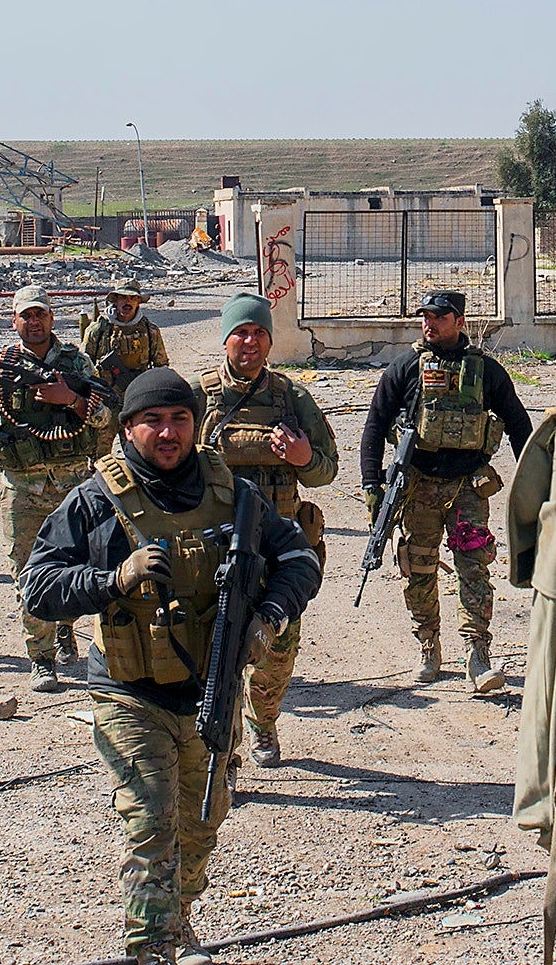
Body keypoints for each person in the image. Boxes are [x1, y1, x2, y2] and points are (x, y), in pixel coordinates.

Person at [21, 368, 323, 965]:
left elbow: (296, 557)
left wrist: (269, 618)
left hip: (212, 689)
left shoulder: (232, 494)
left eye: (179, 420)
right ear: (128, 429)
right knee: (152, 823)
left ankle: (177, 925)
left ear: (194, 425)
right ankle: (152, 948)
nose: (167, 432)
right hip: (130, 693)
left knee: (200, 823)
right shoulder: (94, 501)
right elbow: (37, 587)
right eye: (152, 421)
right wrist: (111, 580)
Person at [358, 288, 533, 691]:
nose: (429, 323)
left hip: (468, 488)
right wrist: (372, 485)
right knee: (418, 570)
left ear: (460, 321)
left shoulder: (487, 372)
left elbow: (519, 427)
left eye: (439, 316)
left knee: (474, 568)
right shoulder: (403, 370)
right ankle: (429, 644)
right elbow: (373, 428)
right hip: (417, 487)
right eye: (425, 316)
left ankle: (476, 652)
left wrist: (533, 482)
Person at [195, 293, 338, 767]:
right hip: (216, 549)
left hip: (278, 551)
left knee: (277, 652)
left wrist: (302, 459)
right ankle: (223, 747)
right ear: (225, 339)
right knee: (219, 651)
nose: (250, 342)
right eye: (241, 332)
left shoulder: (292, 398)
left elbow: (326, 470)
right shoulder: (199, 397)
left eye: (259, 333)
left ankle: (265, 722)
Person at [0, 283, 114, 691]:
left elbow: (104, 419)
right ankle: (41, 657)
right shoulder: (0, 364)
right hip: (22, 485)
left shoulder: (76, 363)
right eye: (25, 315)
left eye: (40, 314)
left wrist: (70, 400)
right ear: (14, 321)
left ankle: (64, 625)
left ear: (51, 318)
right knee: (27, 572)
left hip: (71, 484)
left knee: (77, 567)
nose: (33, 322)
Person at [83, 283, 171, 402]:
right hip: (106, 399)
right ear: (115, 300)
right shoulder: (98, 330)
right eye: (123, 297)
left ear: (138, 301)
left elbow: (161, 367)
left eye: (132, 298)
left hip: (139, 395)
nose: (127, 302)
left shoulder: (150, 331)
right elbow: (84, 365)